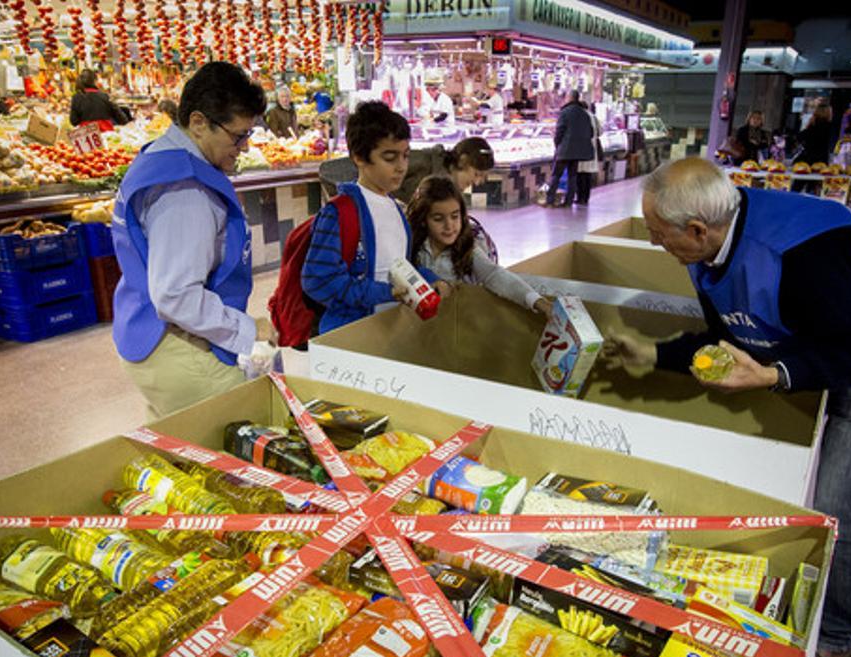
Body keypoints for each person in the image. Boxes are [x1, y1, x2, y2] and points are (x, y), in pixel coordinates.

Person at [603, 158, 851, 657]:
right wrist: (653, 353)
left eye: (657, 234)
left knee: (837, 498)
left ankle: (838, 634)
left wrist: (774, 374)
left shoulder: (803, 255)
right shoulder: (708, 246)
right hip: (820, 330)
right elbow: (729, 339)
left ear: (696, 229)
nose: (654, 244)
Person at [111, 62, 273, 419]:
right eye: (237, 136)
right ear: (199, 122)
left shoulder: (159, 157)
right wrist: (248, 329)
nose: (243, 148)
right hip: (176, 345)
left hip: (142, 331)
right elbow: (175, 294)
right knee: (246, 438)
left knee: (179, 449)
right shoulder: (186, 190)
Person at [303, 101, 450, 334]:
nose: (402, 167)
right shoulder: (339, 213)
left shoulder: (396, 208)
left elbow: (399, 267)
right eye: (390, 158)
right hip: (350, 341)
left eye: (405, 156)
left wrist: (428, 280)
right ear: (359, 157)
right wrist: (384, 292)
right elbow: (318, 281)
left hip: (389, 334)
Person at [407, 176, 550, 316]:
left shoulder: (467, 249)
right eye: (438, 219)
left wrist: (536, 301)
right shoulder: (414, 246)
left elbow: (494, 274)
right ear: (423, 220)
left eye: (455, 216)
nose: (449, 226)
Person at [547, 90, 594, 207]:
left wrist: (557, 144)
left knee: (556, 175)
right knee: (572, 176)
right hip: (577, 151)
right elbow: (591, 132)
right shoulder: (585, 114)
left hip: (565, 149)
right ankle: (568, 201)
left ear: (569, 98)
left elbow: (559, 132)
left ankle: (550, 200)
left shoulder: (565, 112)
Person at [576, 103, 603, 206]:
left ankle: (579, 198)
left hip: (581, 148)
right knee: (587, 175)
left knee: (580, 175)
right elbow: (601, 132)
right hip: (592, 149)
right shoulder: (594, 117)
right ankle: (586, 198)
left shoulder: (580, 117)